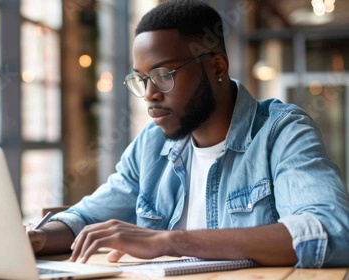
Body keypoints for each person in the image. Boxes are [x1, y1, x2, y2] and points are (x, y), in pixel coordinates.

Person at [28, 0, 349, 268]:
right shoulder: (150, 146)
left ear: (218, 67)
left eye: (163, 75)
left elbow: (331, 232)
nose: (150, 94)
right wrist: (37, 239)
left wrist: (169, 241)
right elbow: (87, 218)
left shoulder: (281, 132)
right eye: (141, 79)